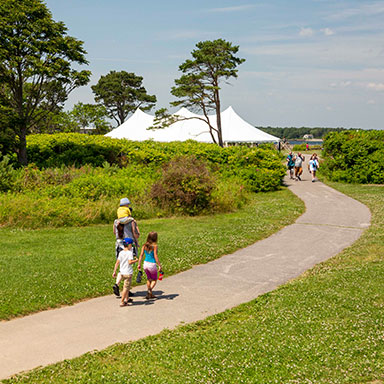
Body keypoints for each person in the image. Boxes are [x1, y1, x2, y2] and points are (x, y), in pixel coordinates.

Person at [112, 199, 140, 298]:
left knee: (121, 266)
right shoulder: (131, 221)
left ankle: (117, 284)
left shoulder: (116, 222)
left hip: (119, 245)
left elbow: (114, 233)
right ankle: (126, 290)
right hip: (128, 246)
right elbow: (135, 234)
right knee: (128, 267)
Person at [112, 238, 138, 307]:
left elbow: (117, 262)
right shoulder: (129, 253)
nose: (131, 246)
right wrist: (135, 261)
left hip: (122, 273)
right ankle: (122, 301)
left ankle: (127, 299)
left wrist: (114, 271)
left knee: (126, 287)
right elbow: (130, 262)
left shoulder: (121, 252)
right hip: (128, 273)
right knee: (126, 288)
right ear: (129, 245)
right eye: (131, 245)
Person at [138, 231, 162, 300]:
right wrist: (159, 265)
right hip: (152, 264)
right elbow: (155, 256)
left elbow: (141, 255)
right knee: (154, 279)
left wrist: (139, 264)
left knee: (149, 279)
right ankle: (149, 291)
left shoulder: (144, 245)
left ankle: (150, 294)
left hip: (145, 264)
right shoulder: (154, 246)